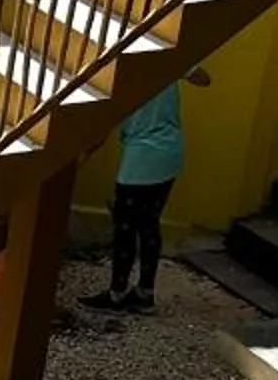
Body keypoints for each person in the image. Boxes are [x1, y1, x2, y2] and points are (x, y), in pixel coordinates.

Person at [85, 65, 209, 316]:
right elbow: (204, 79)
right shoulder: (168, 64)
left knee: (125, 228)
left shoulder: (120, 77)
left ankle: (117, 294)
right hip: (171, 150)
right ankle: (144, 293)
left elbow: (100, 133)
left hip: (141, 158)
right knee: (149, 223)